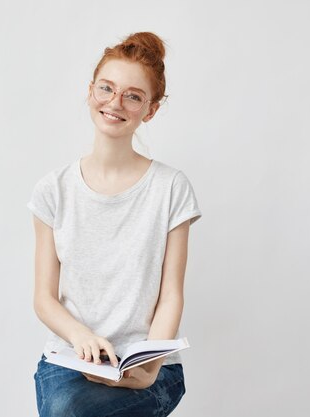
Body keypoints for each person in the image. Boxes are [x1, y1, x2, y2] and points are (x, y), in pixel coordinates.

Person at [26, 32, 202, 417]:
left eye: (133, 96)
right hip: (70, 362)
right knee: (69, 409)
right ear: (91, 92)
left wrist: (150, 367)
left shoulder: (170, 188)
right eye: (106, 88)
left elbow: (171, 294)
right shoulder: (53, 190)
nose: (115, 103)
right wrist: (82, 337)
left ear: (150, 110)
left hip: (149, 366)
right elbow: (44, 297)